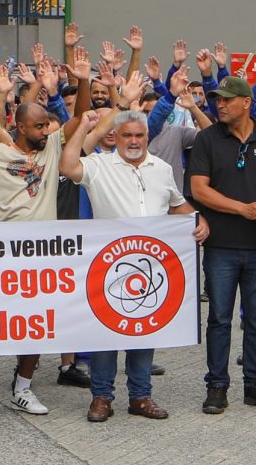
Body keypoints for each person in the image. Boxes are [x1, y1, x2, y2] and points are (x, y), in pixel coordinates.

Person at [0, 58, 78, 418]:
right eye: (39, 126)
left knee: (35, 323)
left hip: (41, 256)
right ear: (20, 127)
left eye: (47, 125)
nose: (46, 130)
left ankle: (23, 388)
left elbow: (80, 117)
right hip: (1, 254)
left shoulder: (52, 149)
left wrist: (79, 82)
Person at [58, 104, 189, 423]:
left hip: (151, 266)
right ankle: (102, 397)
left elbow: (178, 205)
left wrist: (198, 223)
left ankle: (140, 397)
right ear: (115, 136)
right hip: (108, 267)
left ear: (148, 136)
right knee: (105, 334)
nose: (134, 141)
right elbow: (66, 166)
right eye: (127, 135)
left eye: (140, 135)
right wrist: (87, 128)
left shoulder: (161, 168)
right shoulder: (99, 165)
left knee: (144, 331)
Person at [186, 75, 256, 417]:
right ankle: (217, 386)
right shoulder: (207, 139)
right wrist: (242, 208)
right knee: (218, 318)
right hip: (221, 247)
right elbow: (199, 190)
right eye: (217, 99)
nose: (220, 104)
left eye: (226, 100)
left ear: (246, 103)